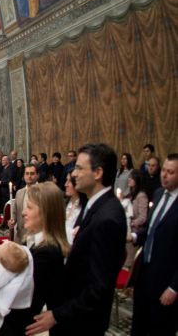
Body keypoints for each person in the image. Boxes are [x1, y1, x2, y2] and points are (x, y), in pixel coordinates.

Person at [27, 143, 127, 335]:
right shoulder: (95, 205)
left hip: (82, 322)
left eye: (79, 168)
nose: (73, 174)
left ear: (98, 173)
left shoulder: (108, 218)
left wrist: (58, 314)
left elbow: (98, 288)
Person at [0, 182, 68, 334]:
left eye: (29, 207)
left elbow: (23, 300)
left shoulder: (47, 253)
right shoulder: (34, 243)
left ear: (45, 213)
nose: (23, 213)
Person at [130, 153, 178, 335]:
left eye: (170, 172)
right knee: (139, 325)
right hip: (145, 273)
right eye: (163, 170)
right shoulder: (158, 194)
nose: (164, 175)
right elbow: (151, 230)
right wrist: (133, 237)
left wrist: (174, 287)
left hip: (166, 281)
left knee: (160, 328)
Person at [9, 164, 38, 244]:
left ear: (37, 175)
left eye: (32, 173)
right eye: (27, 173)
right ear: (24, 176)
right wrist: (12, 221)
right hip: (20, 235)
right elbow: (15, 212)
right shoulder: (19, 192)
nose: (29, 176)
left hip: (35, 236)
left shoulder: (42, 192)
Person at [63, 175, 84, 245]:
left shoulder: (84, 208)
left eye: (69, 182)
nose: (65, 184)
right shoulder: (64, 203)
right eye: (66, 180)